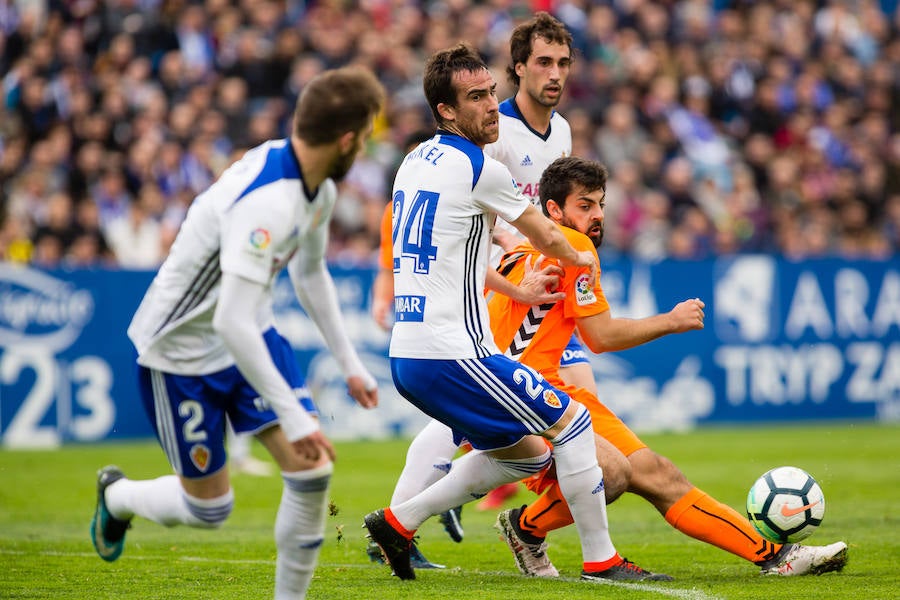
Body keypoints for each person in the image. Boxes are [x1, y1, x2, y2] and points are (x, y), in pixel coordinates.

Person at [364, 43, 669, 583]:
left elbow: (459, 249)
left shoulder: (415, 160)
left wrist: (516, 289)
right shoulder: (479, 166)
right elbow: (549, 234)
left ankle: (398, 521)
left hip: (412, 353)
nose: (490, 106)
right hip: (455, 354)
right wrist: (582, 259)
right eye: (475, 98)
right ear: (447, 112)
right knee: (573, 424)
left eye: (491, 93)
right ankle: (603, 561)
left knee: (527, 455)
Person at [89, 65, 384, 600]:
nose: (364, 148)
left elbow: (310, 271)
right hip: (178, 352)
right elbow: (227, 318)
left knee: (311, 467)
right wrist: (295, 417)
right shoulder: (269, 204)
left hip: (249, 328)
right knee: (209, 509)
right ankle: (118, 497)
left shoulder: (315, 187)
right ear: (346, 139)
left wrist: (350, 363)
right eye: (364, 137)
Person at [489, 155, 849, 578]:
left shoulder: (522, 250)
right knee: (612, 474)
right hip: (518, 397)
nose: (598, 215)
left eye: (600, 204)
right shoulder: (575, 248)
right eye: (585, 205)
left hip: (535, 389)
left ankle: (775, 556)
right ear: (554, 211)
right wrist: (672, 321)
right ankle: (527, 531)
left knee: (656, 472)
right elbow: (601, 337)